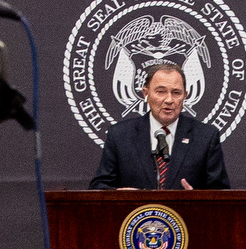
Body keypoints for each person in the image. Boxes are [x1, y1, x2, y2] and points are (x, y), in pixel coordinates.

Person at [87, 61, 230, 190]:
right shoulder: (120, 135)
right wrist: (120, 195)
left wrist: (197, 199)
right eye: (160, 92)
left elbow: (222, 194)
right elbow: (98, 187)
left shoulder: (205, 137)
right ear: (146, 94)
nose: (169, 100)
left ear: (185, 96)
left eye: (176, 93)